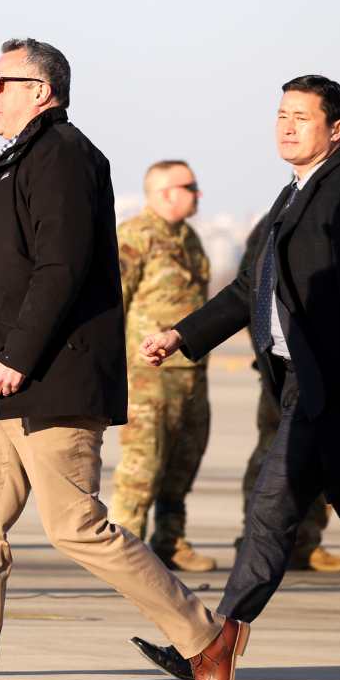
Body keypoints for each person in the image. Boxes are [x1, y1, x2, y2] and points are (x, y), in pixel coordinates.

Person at [0, 38, 241, 680]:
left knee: (75, 526)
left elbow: (61, 266)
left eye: (0, 82)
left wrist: (16, 355)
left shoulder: (64, 155)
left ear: (40, 91)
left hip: (49, 381)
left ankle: (207, 636)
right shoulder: (14, 161)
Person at [131, 76, 340, 680]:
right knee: (271, 514)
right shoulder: (294, 193)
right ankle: (214, 647)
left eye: (302, 116)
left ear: (337, 129)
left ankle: (213, 649)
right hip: (303, 385)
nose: (287, 126)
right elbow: (251, 286)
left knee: (271, 508)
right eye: (281, 114)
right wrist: (180, 335)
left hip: (331, 386)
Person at [108, 160, 216, 572]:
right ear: (166, 193)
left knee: (183, 463)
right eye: (191, 186)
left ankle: (170, 541)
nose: (198, 193)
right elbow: (112, 304)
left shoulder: (189, 239)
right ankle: (124, 551)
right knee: (143, 465)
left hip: (191, 374)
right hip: (147, 377)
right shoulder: (135, 236)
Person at [236, 218, 340, 573]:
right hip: (287, 372)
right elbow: (253, 293)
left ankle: (304, 542)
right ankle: (256, 547)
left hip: (326, 371)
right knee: (275, 460)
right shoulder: (279, 221)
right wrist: (269, 356)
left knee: (319, 459)